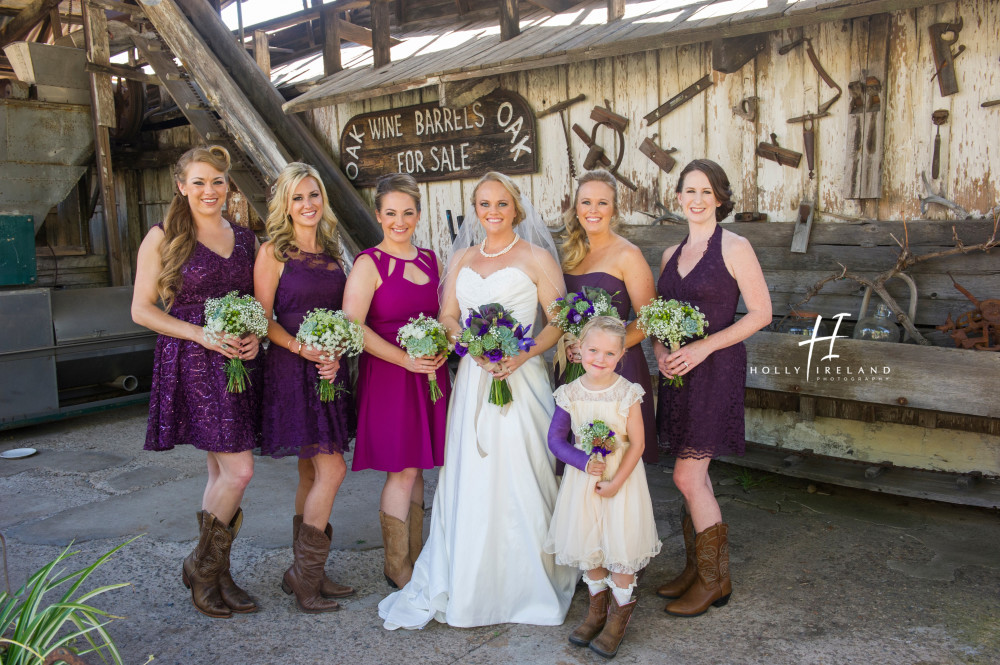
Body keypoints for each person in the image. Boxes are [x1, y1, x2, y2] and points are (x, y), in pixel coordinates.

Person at [378, 171, 577, 629]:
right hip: (473, 379)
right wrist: (469, 343)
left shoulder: (536, 257)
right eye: (484, 204)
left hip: (520, 377)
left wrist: (520, 351)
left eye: (501, 204)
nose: (492, 212)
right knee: (472, 475)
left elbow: (558, 321)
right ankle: (470, 577)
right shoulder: (462, 257)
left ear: (516, 209)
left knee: (522, 472)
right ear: (475, 209)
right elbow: (448, 314)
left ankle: (530, 579)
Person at [132, 145, 261, 618]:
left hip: (237, 362)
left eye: (218, 182)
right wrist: (200, 335)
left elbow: (257, 302)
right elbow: (141, 309)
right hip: (193, 359)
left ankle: (215, 571)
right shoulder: (164, 236)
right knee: (240, 470)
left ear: (228, 186)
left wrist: (254, 336)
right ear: (181, 185)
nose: (210, 191)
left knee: (221, 472)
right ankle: (202, 568)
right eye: (200, 182)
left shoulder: (246, 238)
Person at [653, 159, 771, 617]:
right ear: (678, 197)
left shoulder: (735, 246)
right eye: (689, 191)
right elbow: (660, 320)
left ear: (719, 198)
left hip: (715, 369)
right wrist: (662, 353)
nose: (697, 200)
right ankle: (693, 570)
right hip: (678, 375)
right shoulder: (669, 255)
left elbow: (761, 312)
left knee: (688, 475)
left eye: (706, 192)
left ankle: (715, 581)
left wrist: (703, 348)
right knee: (689, 477)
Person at [254, 162, 355, 613]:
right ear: (285, 205)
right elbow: (262, 319)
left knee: (312, 472)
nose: (308, 204)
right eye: (298, 198)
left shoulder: (334, 254)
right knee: (332, 470)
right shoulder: (274, 253)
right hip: (292, 369)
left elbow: (344, 316)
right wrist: (303, 349)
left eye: (313, 195)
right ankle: (305, 576)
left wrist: (335, 353)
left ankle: (305, 569)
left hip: (328, 370)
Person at [342, 173, 449, 589]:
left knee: (420, 469)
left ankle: (417, 558)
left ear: (419, 215)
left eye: (407, 212)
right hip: (391, 375)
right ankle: (397, 566)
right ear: (378, 215)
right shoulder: (369, 263)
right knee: (401, 471)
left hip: (429, 377)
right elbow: (354, 327)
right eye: (391, 213)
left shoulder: (430, 260)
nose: (399, 221)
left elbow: (444, 317)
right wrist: (406, 360)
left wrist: (442, 347)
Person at [545, 316, 661, 658]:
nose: (600, 357)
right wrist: (582, 462)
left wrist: (616, 482)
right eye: (593, 349)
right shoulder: (569, 393)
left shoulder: (628, 392)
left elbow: (638, 444)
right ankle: (595, 611)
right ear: (578, 350)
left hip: (621, 481)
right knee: (589, 541)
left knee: (621, 543)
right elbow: (555, 439)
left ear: (622, 355)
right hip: (584, 481)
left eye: (610, 353)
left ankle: (617, 618)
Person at [558, 170, 658, 464]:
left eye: (602, 203)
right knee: (579, 455)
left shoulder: (628, 254)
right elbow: (560, 316)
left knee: (613, 456)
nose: (593, 210)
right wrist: (568, 345)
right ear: (576, 209)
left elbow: (648, 318)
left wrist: (606, 351)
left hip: (618, 367)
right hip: (575, 367)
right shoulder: (570, 255)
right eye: (586, 202)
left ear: (614, 210)